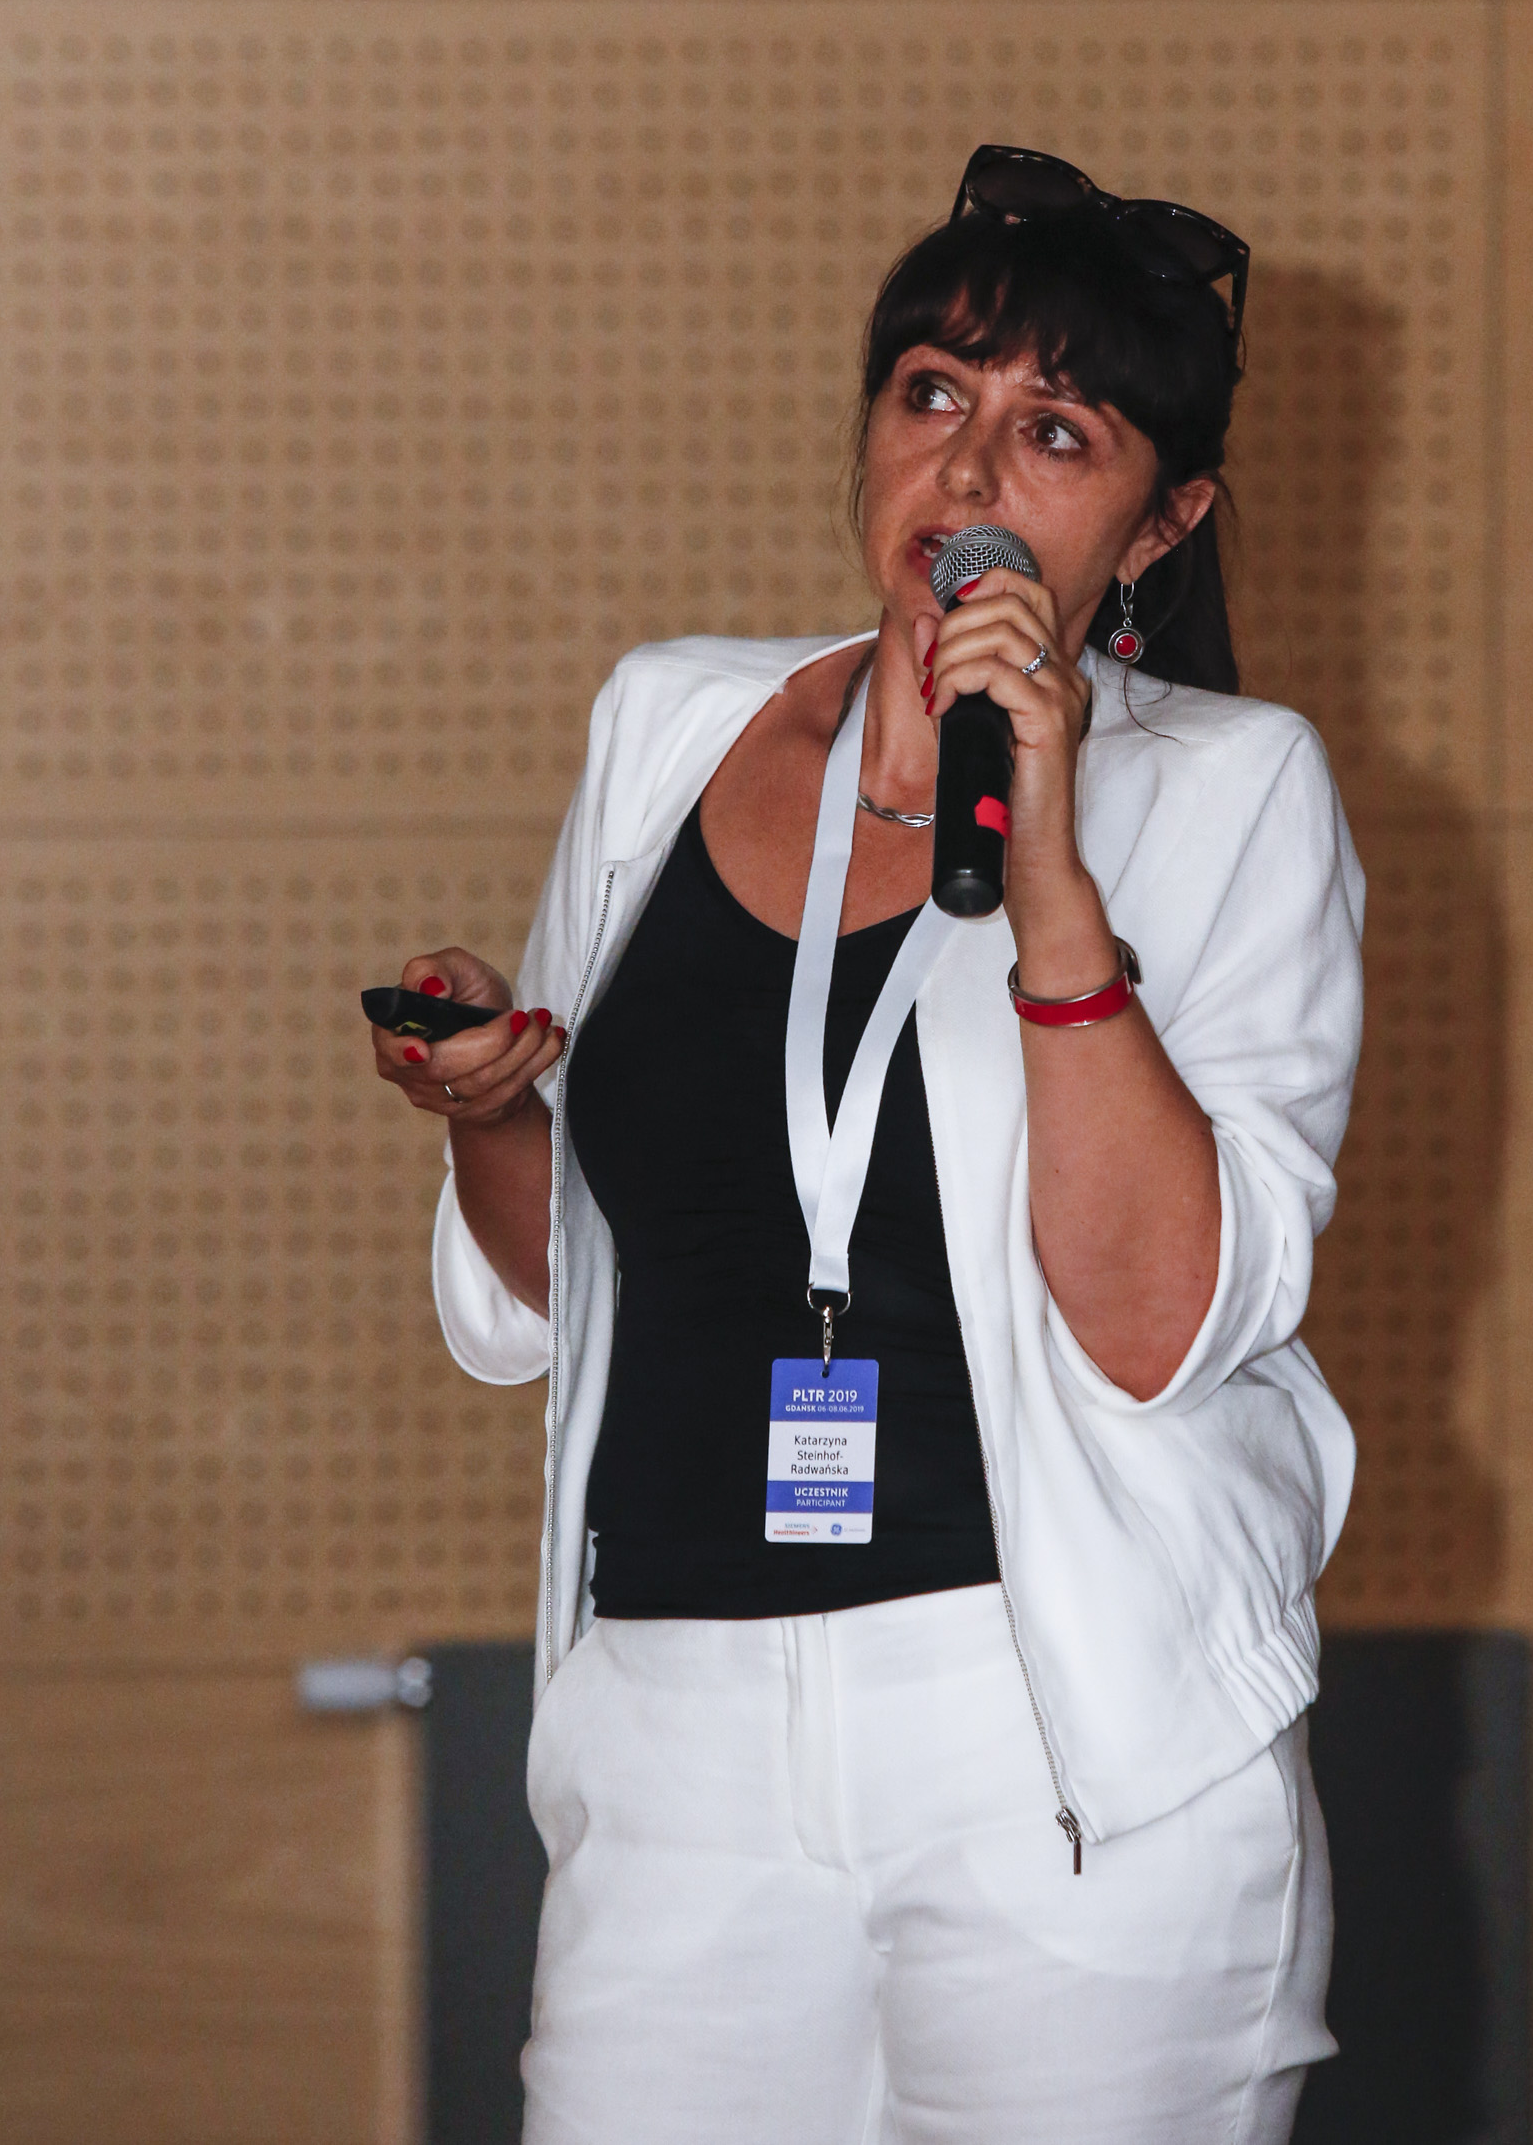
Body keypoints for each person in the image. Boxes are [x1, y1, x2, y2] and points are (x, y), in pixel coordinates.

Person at [370, 145, 1365, 2145]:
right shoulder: (668, 727)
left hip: (1061, 1761)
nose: (968, 469)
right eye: (931, 394)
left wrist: (1050, 859)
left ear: (1162, 522)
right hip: (674, 1741)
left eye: (1055, 431)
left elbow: (1164, 1320)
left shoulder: (1236, 790)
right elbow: (564, 1292)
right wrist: (495, 1112)